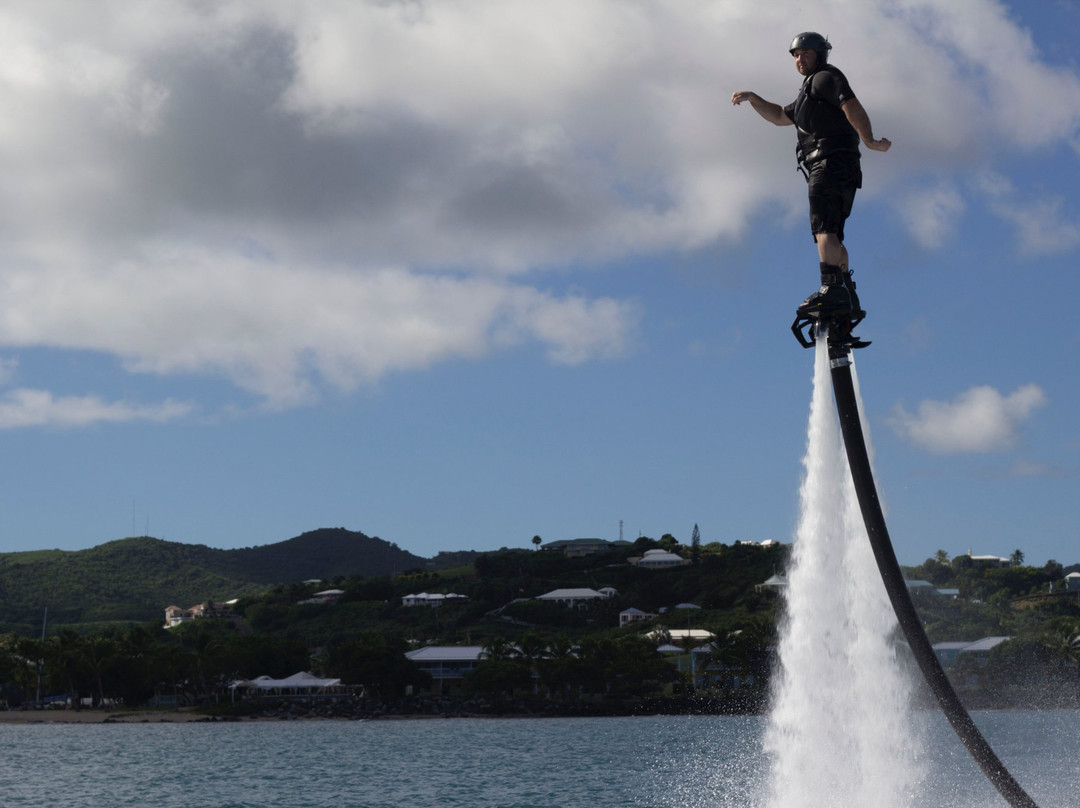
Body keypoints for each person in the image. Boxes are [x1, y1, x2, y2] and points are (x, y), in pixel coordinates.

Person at [731, 32, 891, 319]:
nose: (800, 59)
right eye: (796, 55)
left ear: (820, 55)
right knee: (832, 233)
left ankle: (831, 289)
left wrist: (868, 139)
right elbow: (780, 116)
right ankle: (846, 292)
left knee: (823, 229)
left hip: (829, 163)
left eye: (806, 53)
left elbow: (851, 105)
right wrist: (753, 98)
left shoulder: (825, 78)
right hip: (839, 166)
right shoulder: (809, 92)